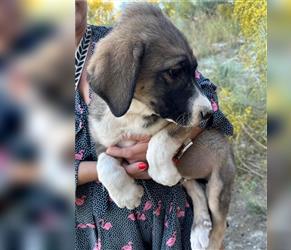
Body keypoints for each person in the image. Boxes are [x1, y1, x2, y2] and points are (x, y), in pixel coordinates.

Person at [75, 1, 233, 249]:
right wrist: (108, 169)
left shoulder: (133, 38)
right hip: (91, 235)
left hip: (175, 222)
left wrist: (169, 141)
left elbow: (208, 106)